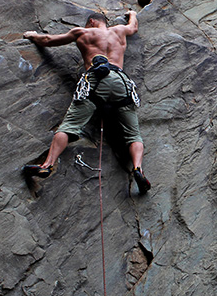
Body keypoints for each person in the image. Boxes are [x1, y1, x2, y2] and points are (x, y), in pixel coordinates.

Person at [22, 11, 151, 194]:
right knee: (133, 134)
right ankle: (138, 168)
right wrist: (132, 14)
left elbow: (48, 40)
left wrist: (33, 36)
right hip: (121, 82)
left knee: (68, 126)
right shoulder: (120, 31)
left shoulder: (82, 33)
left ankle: (47, 165)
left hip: (95, 80)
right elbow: (134, 27)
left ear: (91, 22)